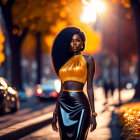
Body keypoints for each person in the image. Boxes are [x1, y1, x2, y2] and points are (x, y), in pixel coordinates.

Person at [51, 26, 97, 140]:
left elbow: (90, 87)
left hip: (80, 104)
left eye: (77, 40)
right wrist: (55, 114)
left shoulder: (88, 60)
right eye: (71, 41)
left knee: (79, 137)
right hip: (63, 104)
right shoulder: (64, 61)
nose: (74, 43)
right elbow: (61, 89)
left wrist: (93, 114)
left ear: (82, 43)